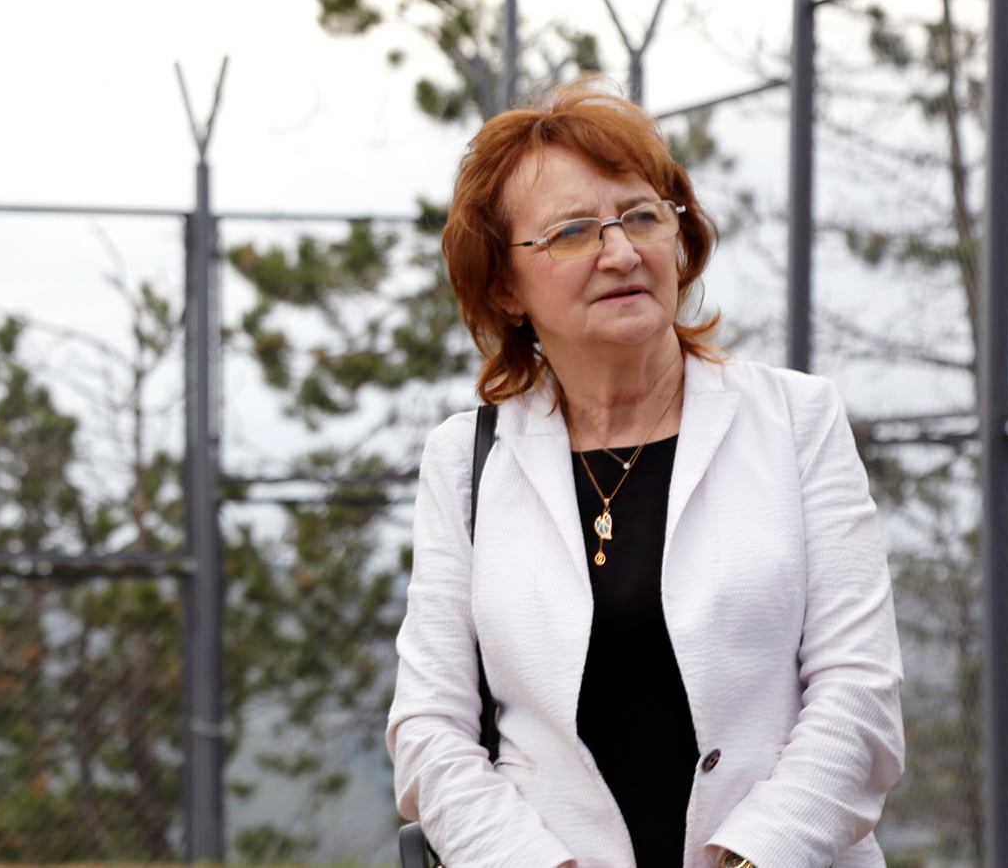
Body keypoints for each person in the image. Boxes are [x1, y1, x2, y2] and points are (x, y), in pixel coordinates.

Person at [387, 79, 904, 867]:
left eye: (642, 216)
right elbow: (430, 730)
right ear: (504, 285)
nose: (622, 252)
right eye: (571, 232)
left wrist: (752, 856)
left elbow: (858, 697)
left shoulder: (798, 420)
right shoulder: (465, 461)